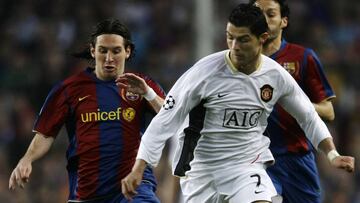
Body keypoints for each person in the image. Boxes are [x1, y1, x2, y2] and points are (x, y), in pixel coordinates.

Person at [121, 4, 354, 203]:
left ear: (262, 39)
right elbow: (164, 121)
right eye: (230, 37)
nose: (234, 46)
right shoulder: (203, 73)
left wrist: (332, 154)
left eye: (243, 40)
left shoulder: (275, 76)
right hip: (202, 170)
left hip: (246, 165)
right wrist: (138, 168)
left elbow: (308, 116)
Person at [8, 19, 165, 203]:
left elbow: (170, 115)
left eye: (116, 51)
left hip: (133, 185)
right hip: (87, 191)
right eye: (103, 50)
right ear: (93, 51)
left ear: (127, 51)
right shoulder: (69, 89)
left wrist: (148, 93)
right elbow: (45, 133)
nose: (109, 58)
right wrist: (27, 159)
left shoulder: (142, 84)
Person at [250, 0, 339, 202]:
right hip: (258, 159)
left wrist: (295, 104)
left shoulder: (303, 58)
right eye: (257, 13)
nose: (263, 19)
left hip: (298, 159)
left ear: (284, 21)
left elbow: (329, 111)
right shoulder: (240, 61)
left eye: (271, 14)